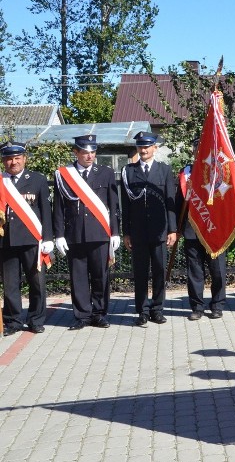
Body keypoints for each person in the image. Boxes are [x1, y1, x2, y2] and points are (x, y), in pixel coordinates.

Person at [53, 135, 120, 330]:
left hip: (99, 233)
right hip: (74, 234)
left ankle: (99, 314)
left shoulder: (105, 172)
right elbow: (58, 207)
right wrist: (58, 234)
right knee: (78, 277)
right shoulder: (64, 174)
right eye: (85, 152)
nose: (90, 156)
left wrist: (115, 232)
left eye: (93, 152)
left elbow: (113, 204)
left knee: (100, 276)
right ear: (76, 152)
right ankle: (82, 315)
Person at [121, 131, 177, 326]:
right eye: (140, 146)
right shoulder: (128, 171)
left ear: (155, 148)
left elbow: (171, 202)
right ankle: (142, 310)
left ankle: (158, 309)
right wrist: (126, 232)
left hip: (159, 229)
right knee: (140, 272)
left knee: (160, 270)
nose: (143, 150)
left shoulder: (165, 170)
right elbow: (125, 205)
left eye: (147, 146)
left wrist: (172, 229)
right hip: (138, 231)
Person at [1, 142, 53, 336]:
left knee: (36, 282)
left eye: (17, 158)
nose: (13, 162)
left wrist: (48, 238)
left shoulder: (37, 180)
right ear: (3, 160)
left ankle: (36, 319)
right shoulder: (0, 181)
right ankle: (13, 320)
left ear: (24, 158)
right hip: (6, 241)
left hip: (32, 239)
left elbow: (46, 211)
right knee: (10, 284)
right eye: (8, 158)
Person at [177, 144, 226, 321]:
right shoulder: (186, 173)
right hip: (192, 229)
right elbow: (178, 202)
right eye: (197, 149)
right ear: (193, 151)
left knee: (218, 270)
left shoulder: (218, 171)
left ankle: (217, 305)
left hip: (214, 229)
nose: (200, 151)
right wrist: (178, 228)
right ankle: (197, 307)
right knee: (195, 271)